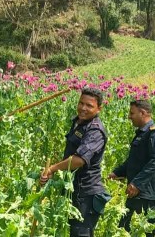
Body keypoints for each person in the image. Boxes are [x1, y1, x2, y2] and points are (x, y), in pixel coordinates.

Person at [40, 87, 111, 237]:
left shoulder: (95, 131)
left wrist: (53, 169)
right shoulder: (78, 122)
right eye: (81, 103)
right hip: (74, 189)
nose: (83, 108)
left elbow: (79, 160)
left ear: (99, 109)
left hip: (86, 194)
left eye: (89, 105)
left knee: (81, 233)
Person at [108, 100, 155, 235]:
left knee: (153, 228)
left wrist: (137, 183)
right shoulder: (142, 133)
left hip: (146, 190)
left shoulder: (154, 134)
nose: (129, 116)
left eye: (132, 113)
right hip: (135, 189)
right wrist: (116, 173)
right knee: (122, 225)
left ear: (143, 113)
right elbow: (133, 161)